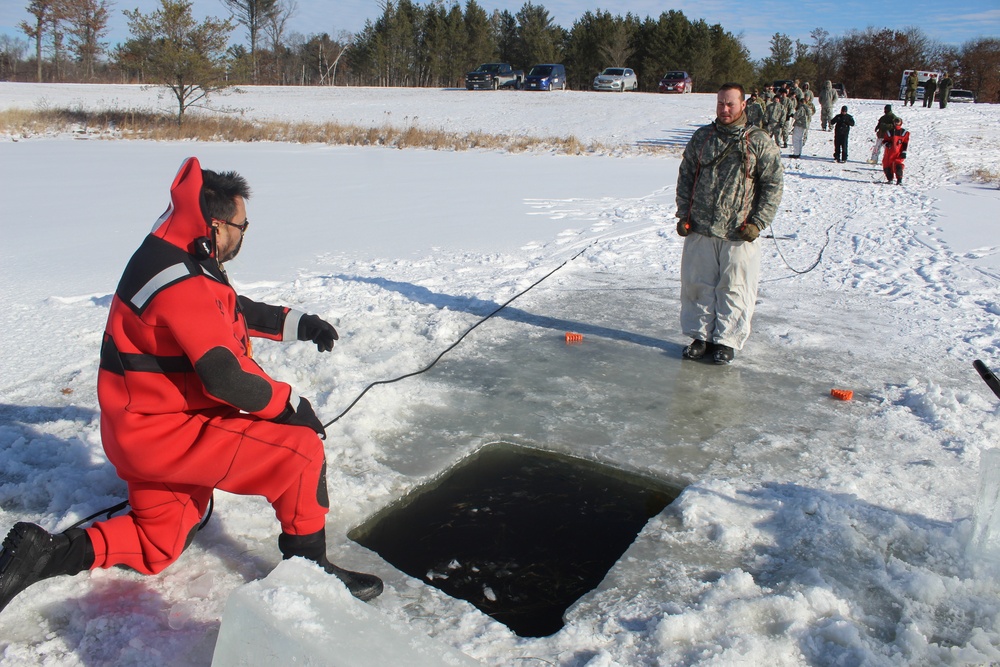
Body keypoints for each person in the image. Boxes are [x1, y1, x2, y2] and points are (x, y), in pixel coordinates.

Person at [0, 157, 384, 614]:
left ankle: (43, 555)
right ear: (218, 224)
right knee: (300, 452)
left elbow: (224, 307)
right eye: (243, 225)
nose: (245, 234)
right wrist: (290, 406)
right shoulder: (182, 282)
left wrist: (298, 324)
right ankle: (312, 571)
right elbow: (225, 377)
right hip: (170, 433)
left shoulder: (172, 250)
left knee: (156, 543)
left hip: (138, 433)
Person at [675, 83, 784, 365]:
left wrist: (758, 222)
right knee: (698, 286)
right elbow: (686, 175)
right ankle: (700, 338)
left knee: (735, 288)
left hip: (738, 231)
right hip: (701, 227)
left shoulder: (758, 141)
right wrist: (683, 214)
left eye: (730, 104)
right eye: (720, 103)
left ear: (743, 105)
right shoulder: (703, 138)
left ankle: (726, 341)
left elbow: (772, 184)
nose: (724, 109)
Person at [882, 117, 909, 184]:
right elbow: (884, 140)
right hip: (889, 152)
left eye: (898, 122)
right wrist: (887, 143)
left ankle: (899, 180)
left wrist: (904, 152)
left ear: (901, 123)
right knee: (887, 165)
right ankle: (890, 179)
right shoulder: (889, 132)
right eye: (895, 121)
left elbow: (905, 143)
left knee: (898, 165)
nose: (896, 123)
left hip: (898, 152)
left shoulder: (904, 133)